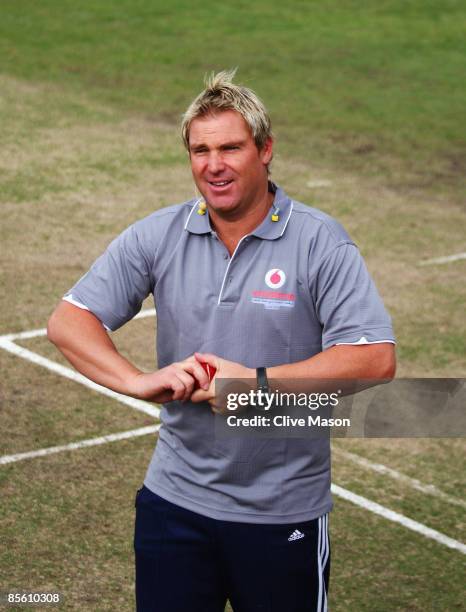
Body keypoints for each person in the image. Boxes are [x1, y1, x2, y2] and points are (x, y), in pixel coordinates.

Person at [47, 70, 396, 612]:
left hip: (282, 514)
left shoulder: (319, 241)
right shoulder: (159, 233)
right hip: (173, 504)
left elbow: (374, 360)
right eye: (200, 150)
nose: (214, 165)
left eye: (231, 147)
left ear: (265, 150)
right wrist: (137, 380)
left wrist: (252, 384)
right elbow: (69, 321)